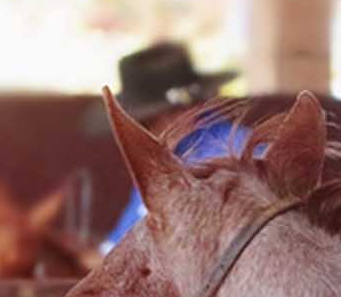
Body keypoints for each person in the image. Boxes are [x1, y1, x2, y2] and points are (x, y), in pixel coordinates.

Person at [98, 41, 245, 249]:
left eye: (145, 121)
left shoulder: (235, 154)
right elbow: (117, 245)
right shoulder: (164, 157)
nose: (142, 130)